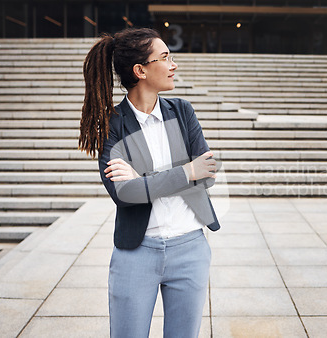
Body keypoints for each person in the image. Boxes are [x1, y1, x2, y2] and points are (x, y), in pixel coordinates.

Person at [78, 27, 221, 338]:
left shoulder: (181, 111)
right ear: (140, 70)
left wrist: (145, 180)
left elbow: (207, 173)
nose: (174, 65)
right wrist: (186, 172)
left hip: (190, 248)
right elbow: (125, 194)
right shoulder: (112, 125)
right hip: (136, 254)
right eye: (165, 57)